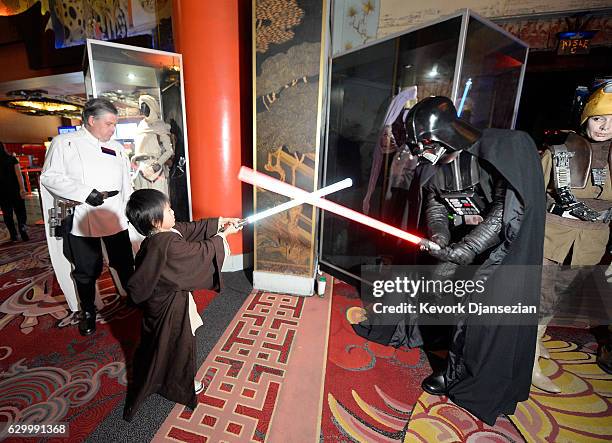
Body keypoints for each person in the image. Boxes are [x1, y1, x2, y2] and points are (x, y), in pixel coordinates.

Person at [404, 97, 545, 425]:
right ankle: (450, 356)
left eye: (425, 143)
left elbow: (505, 210)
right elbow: (436, 204)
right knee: (442, 290)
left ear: (445, 134)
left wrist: (466, 249)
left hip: (500, 250)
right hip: (459, 243)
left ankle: (463, 375)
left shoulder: (500, 150)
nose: (422, 152)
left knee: (479, 314)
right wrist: (439, 236)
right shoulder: (434, 166)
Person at [122, 189, 242, 421]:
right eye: (168, 210)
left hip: (160, 304)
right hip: (171, 310)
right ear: (156, 220)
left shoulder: (159, 236)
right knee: (179, 344)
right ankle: (179, 383)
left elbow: (189, 229)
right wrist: (223, 237)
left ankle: (161, 376)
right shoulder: (168, 246)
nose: (173, 211)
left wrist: (219, 224)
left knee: (159, 346)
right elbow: (199, 254)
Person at [40, 98, 134, 336]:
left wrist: (130, 207)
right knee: (86, 270)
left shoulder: (117, 147)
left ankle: (134, 296)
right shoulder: (65, 143)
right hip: (82, 215)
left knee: (124, 262)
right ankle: (88, 311)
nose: (113, 129)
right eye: (109, 124)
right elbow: (50, 177)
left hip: (115, 214)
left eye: (115, 125)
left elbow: (126, 182)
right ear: (92, 121)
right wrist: (84, 193)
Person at [538, 82, 612, 384]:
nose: (605, 126)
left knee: (558, 296)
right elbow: (533, 197)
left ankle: (537, 338)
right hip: (551, 237)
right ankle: (526, 354)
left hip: (590, 242)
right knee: (539, 295)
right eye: (598, 118)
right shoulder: (558, 154)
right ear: (586, 118)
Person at [132, 95, 174, 196]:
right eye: (141, 106)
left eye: (144, 106)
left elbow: (169, 151)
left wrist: (156, 165)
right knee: (143, 204)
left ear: (151, 106)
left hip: (155, 169)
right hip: (141, 169)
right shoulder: (141, 126)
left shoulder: (160, 125)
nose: (142, 109)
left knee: (159, 202)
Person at [0, 141, 29, 242]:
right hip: (15, 190)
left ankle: (14, 236)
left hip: (2, 193)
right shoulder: (12, 159)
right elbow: (19, 175)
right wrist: (22, 188)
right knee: (21, 213)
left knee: (7, 215)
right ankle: (24, 233)